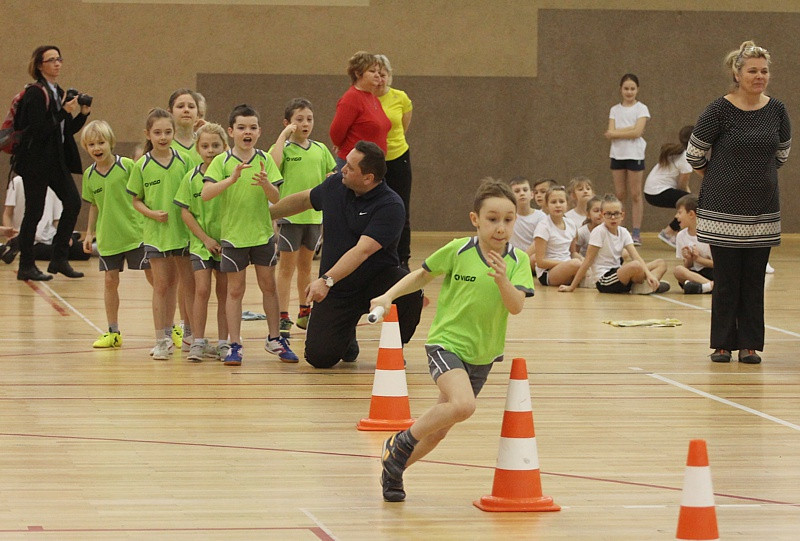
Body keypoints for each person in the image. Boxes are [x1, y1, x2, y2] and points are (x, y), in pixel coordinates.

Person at [371, 177, 534, 502]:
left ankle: (394, 468)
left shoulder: (518, 262)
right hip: (446, 344)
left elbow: (515, 306)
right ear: (476, 219)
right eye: (492, 219)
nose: (500, 227)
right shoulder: (459, 250)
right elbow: (421, 276)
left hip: (483, 354)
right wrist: (388, 296)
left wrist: (503, 280)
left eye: (508, 220)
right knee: (463, 405)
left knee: (439, 430)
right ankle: (401, 441)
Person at [269, 140, 423, 369]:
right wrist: (266, 215)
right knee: (319, 358)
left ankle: (395, 344)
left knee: (410, 291)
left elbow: (362, 251)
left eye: (350, 167)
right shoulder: (335, 185)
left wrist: (325, 280)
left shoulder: (390, 205)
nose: (342, 169)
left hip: (376, 283)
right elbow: (304, 199)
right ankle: (346, 337)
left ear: (368, 178)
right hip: (339, 288)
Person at [686, 40, 791, 365]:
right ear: (737, 74)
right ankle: (722, 344)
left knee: (754, 280)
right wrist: (720, 177)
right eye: (753, 71)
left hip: (763, 210)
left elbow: (782, 154)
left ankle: (749, 345)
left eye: (764, 71)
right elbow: (694, 154)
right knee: (727, 279)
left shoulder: (777, 110)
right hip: (722, 211)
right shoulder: (718, 109)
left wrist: (755, 178)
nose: (759, 76)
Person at [201, 104, 298, 366]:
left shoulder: (265, 160)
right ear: (231, 131)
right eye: (242, 127)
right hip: (233, 237)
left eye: (253, 127)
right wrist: (230, 180)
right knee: (235, 291)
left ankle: (275, 339)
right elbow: (206, 194)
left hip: (262, 236)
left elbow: (276, 198)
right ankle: (234, 344)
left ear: (259, 132)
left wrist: (266, 184)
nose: (248, 132)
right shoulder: (221, 162)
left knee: (269, 287)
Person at [13, 45, 90, 281]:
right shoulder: (36, 93)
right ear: (39, 65)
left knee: (73, 202)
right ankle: (26, 265)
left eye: (59, 59)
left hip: (55, 161)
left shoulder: (58, 91)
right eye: (51, 60)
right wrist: (63, 111)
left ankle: (59, 258)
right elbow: (38, 131)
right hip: (35, 163)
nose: (57, 63)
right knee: (34, 212)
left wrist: (83, 114)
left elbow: (64, 130)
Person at [127, 108, 192, 360]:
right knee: (161, 286)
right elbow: (136, 200)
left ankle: (190, 336)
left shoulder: (185, 161)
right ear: (148, 134)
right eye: (157, 132)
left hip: (183, 234)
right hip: (156, 235)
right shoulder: (142, 165)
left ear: (174, 133)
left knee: (184, 285)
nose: (163, 137)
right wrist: (152, 214)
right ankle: (161, 340)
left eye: (167, 132)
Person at [80, 120, 152, 348]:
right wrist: (89, 233)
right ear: (86, 148)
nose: (97, 148)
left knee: (156, 280)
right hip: (109, 238)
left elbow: (143, 194)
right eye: (91, 144)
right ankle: (113, 332)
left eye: (101, 142)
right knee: (110, 281)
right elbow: (94, 205)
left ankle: (170, 328)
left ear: (111, 142)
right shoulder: (89, 175)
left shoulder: (127, 166)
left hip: (136, 234)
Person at [269, 98, 336, 339]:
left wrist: (331, 176)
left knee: (306, 267)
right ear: (287, 123)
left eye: (309, 119)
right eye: (299, 119)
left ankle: (304, 311)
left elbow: (332, 173)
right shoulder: (284, 149)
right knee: (286, 268)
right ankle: (282, 315)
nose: (305, 123)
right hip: (290, 218)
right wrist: (283, 136)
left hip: (314, 217)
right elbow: (272, 165)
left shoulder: (320, 149)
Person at [174, 123, 230, 362]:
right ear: (197, 148)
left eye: (215, 145)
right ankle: (197, 341)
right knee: (202, 290)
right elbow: (185, 212)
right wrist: (205, 239)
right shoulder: (191, 178)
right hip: (200, 244)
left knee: (225, 292)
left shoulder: (229, 176)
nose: (210, 150)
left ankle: (224, 342)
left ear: (225, 147)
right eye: (205, 146)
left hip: (226, 243)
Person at [559, 194, 669, 295]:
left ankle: (646, 285)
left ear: (622, 215)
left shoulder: (623, 232)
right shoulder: (599, 232)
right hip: (604, 279)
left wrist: (649, 275)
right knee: (635, 265)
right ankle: (646, 286)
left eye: (616, 213)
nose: (612, 217)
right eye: (608, 214)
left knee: (661, 263)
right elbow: (587, 261)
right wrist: (572, 287)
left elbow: (636, 256)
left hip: (618, 273)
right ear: (602, 215)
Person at [375, 54, 414, 269]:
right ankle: (377, 256)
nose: (380, 79)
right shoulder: (365, 98)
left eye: (383, 74)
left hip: (398, 157)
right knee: (375, 208)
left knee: (401, 208)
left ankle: (402, 258)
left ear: (390, 75)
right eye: (375, 74)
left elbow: (403, 127)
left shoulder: (401, 98)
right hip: (374, 161)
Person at [2, 175, 89, 264]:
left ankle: (74, 236)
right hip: (29, 240)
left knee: (83, 252)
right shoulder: (17, 182)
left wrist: (66, 236)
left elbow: (56, 220)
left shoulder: (54, 185)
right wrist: (10, 237)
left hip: (49, 236)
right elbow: (7, 214)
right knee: (44, 251)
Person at [605, 73, 650, 246]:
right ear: (621, 89)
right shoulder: (614, 110)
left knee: (636, 194)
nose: (629, 92)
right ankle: (619, 230)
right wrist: (628, 130)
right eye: (626, 88)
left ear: (637, 89)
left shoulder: (641, 109)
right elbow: (610, 133)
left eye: (632, 88)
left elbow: (637, 132)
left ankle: (636, 232)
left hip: (635, 155)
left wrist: (617, 132)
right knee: (620, 194)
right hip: (617, 154)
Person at [329, 51, 390, 170]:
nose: (377, 75)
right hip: (355, 166)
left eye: (378, 72)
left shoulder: (373, 98)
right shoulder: (351, 98)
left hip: (373, 165)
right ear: (358, 73)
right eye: (372, 71)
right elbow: (336, 132)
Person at [644, 125, 695, 247]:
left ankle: (676, 233)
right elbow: (682, 186)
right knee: (693, 204)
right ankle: (668, 232)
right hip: (657, 192)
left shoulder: (680, 153)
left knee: (691, 204)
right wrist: (692, 200)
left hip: (651, 191)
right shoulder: (686, 157)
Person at [533, 185, 581, 287]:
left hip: (568, 265)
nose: (558, 205)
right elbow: (540, 262)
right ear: (546, 205)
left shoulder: (571, 224)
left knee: (587, 264)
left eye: (561, 201)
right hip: (548, 272)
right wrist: (564, 263)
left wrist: (584, 262)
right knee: (576, 264)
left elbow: (573, 252)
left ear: (567, 204)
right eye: (553, 202)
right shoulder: (543, 226)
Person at [671, 194, 713, 295]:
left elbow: (718, 264)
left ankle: (704, 287)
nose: (676, 216)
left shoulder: (709, 234)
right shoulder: (681, 235)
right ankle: (710, 286)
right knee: (678, 270)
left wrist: (698, 259)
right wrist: (689, 258)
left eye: (679, 212)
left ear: (691, 214)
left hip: (712, 271)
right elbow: (688, 266)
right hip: (695, 274)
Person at [508, 176, 545, 266]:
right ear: (510, 197)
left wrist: (523, 258)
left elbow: (538, 242)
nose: (522, 193)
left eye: (525, 190)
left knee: (536, 259)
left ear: (532, 194)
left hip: (531, 258)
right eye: (517, 191)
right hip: (512, 257)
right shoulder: (507, 217)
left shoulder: (541, 217)